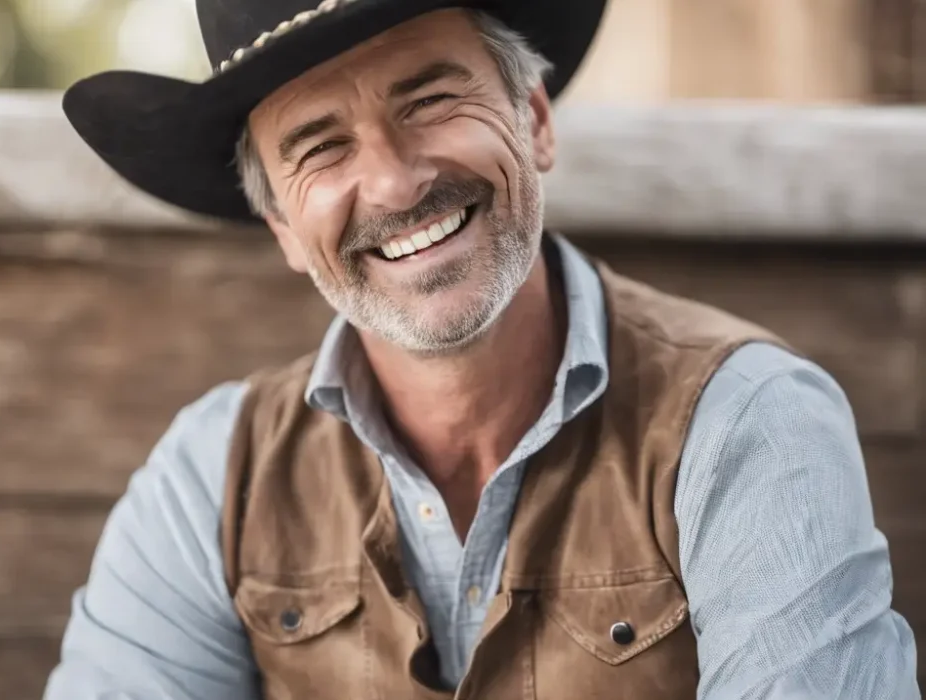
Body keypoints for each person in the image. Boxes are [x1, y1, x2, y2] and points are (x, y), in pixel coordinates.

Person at [46, 0, 920, 697]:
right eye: (321, 148)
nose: (394, 180)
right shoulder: (209, 481)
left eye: (430, 100)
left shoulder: (744, 425)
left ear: (533, 121)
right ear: (280, 225)